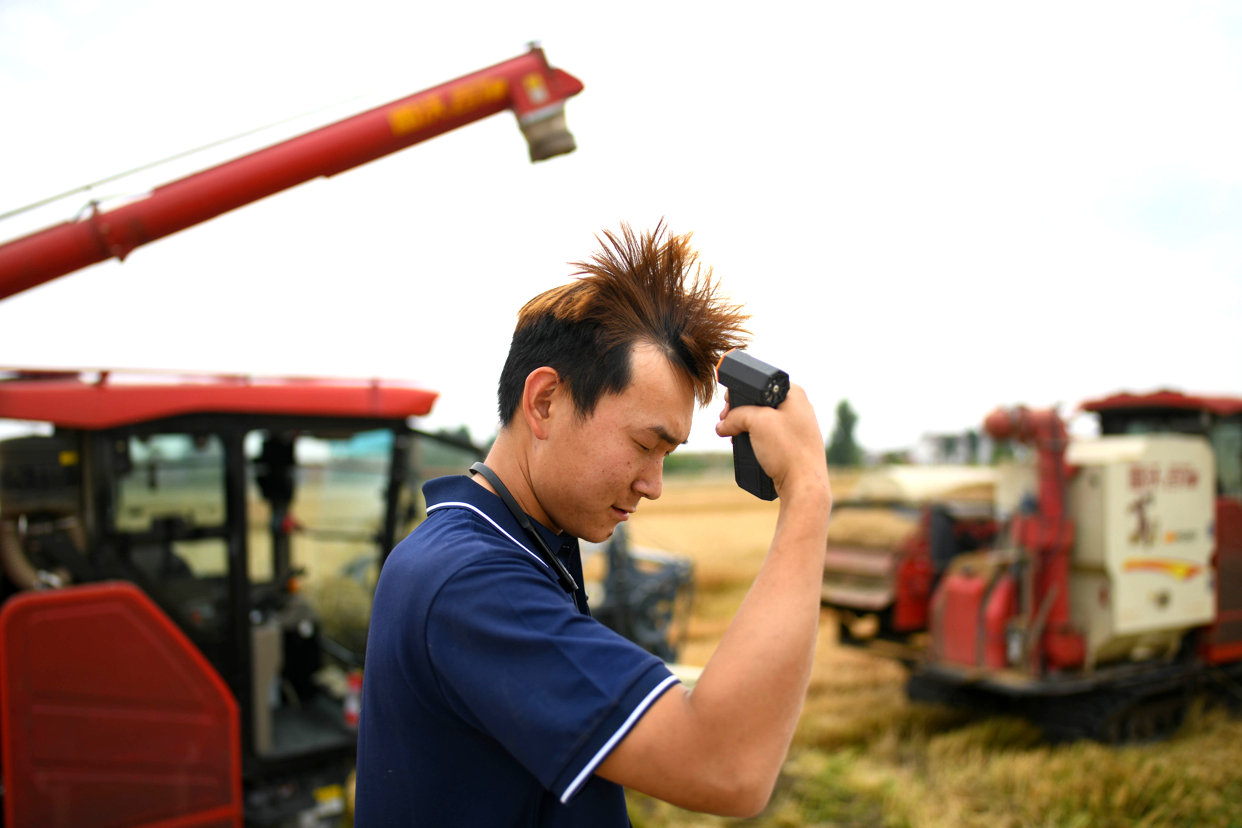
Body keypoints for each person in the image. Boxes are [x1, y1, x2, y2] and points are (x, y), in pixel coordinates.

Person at [355, 223, 832, 826]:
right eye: (644, 444)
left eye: (667, 456)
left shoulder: (502, 543)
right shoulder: (473, 583)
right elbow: (727, 768)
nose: (652, 484)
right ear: (546, 402)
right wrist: (808, 493)